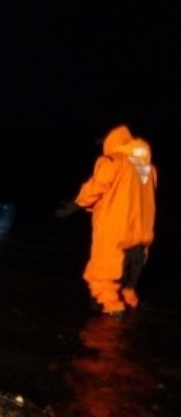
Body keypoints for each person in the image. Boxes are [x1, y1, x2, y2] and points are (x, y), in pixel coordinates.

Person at [55, 124, 157, 318]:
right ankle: (131, 310)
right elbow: (131, 194)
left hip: (116, 232)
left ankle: (110, 326)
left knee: (102, 280)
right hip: (142, 235)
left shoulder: (113, 161)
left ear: (110, 141)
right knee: (128, 284)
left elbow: (97, 187)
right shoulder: (147, 167)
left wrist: (76, 203)